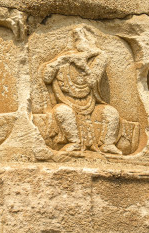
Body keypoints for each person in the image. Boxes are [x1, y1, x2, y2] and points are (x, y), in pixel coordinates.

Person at [41, 26, 121, 155]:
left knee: (111, 113)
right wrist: (60, 61)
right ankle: (74, 142)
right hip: (68, 104)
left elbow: (91, 81)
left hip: (90, 106)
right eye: (78, 39)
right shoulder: (65, 59)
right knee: (62, 112)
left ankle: (107, 144)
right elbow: (47, 78)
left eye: (85, 39)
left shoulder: (94, 61)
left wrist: (83, 65)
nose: (83, 43)